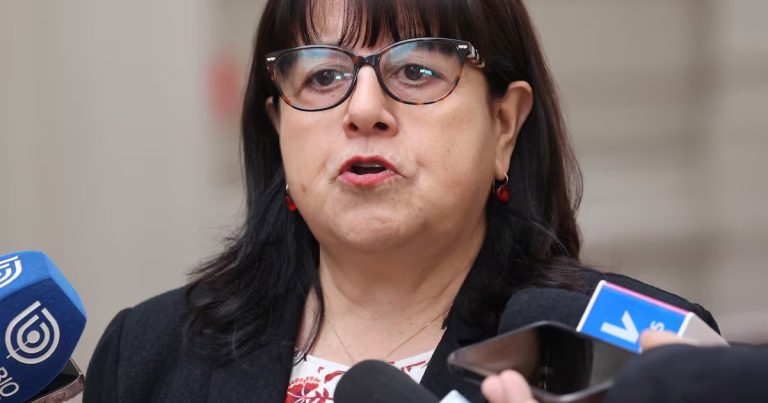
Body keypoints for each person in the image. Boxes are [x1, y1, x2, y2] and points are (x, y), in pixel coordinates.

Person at [83, 0, 719, 402]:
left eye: (416, 71)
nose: (363, 110)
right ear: (278, 129)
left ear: (504, 125)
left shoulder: (629, 350)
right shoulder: (149, 352)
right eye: (323, 75)